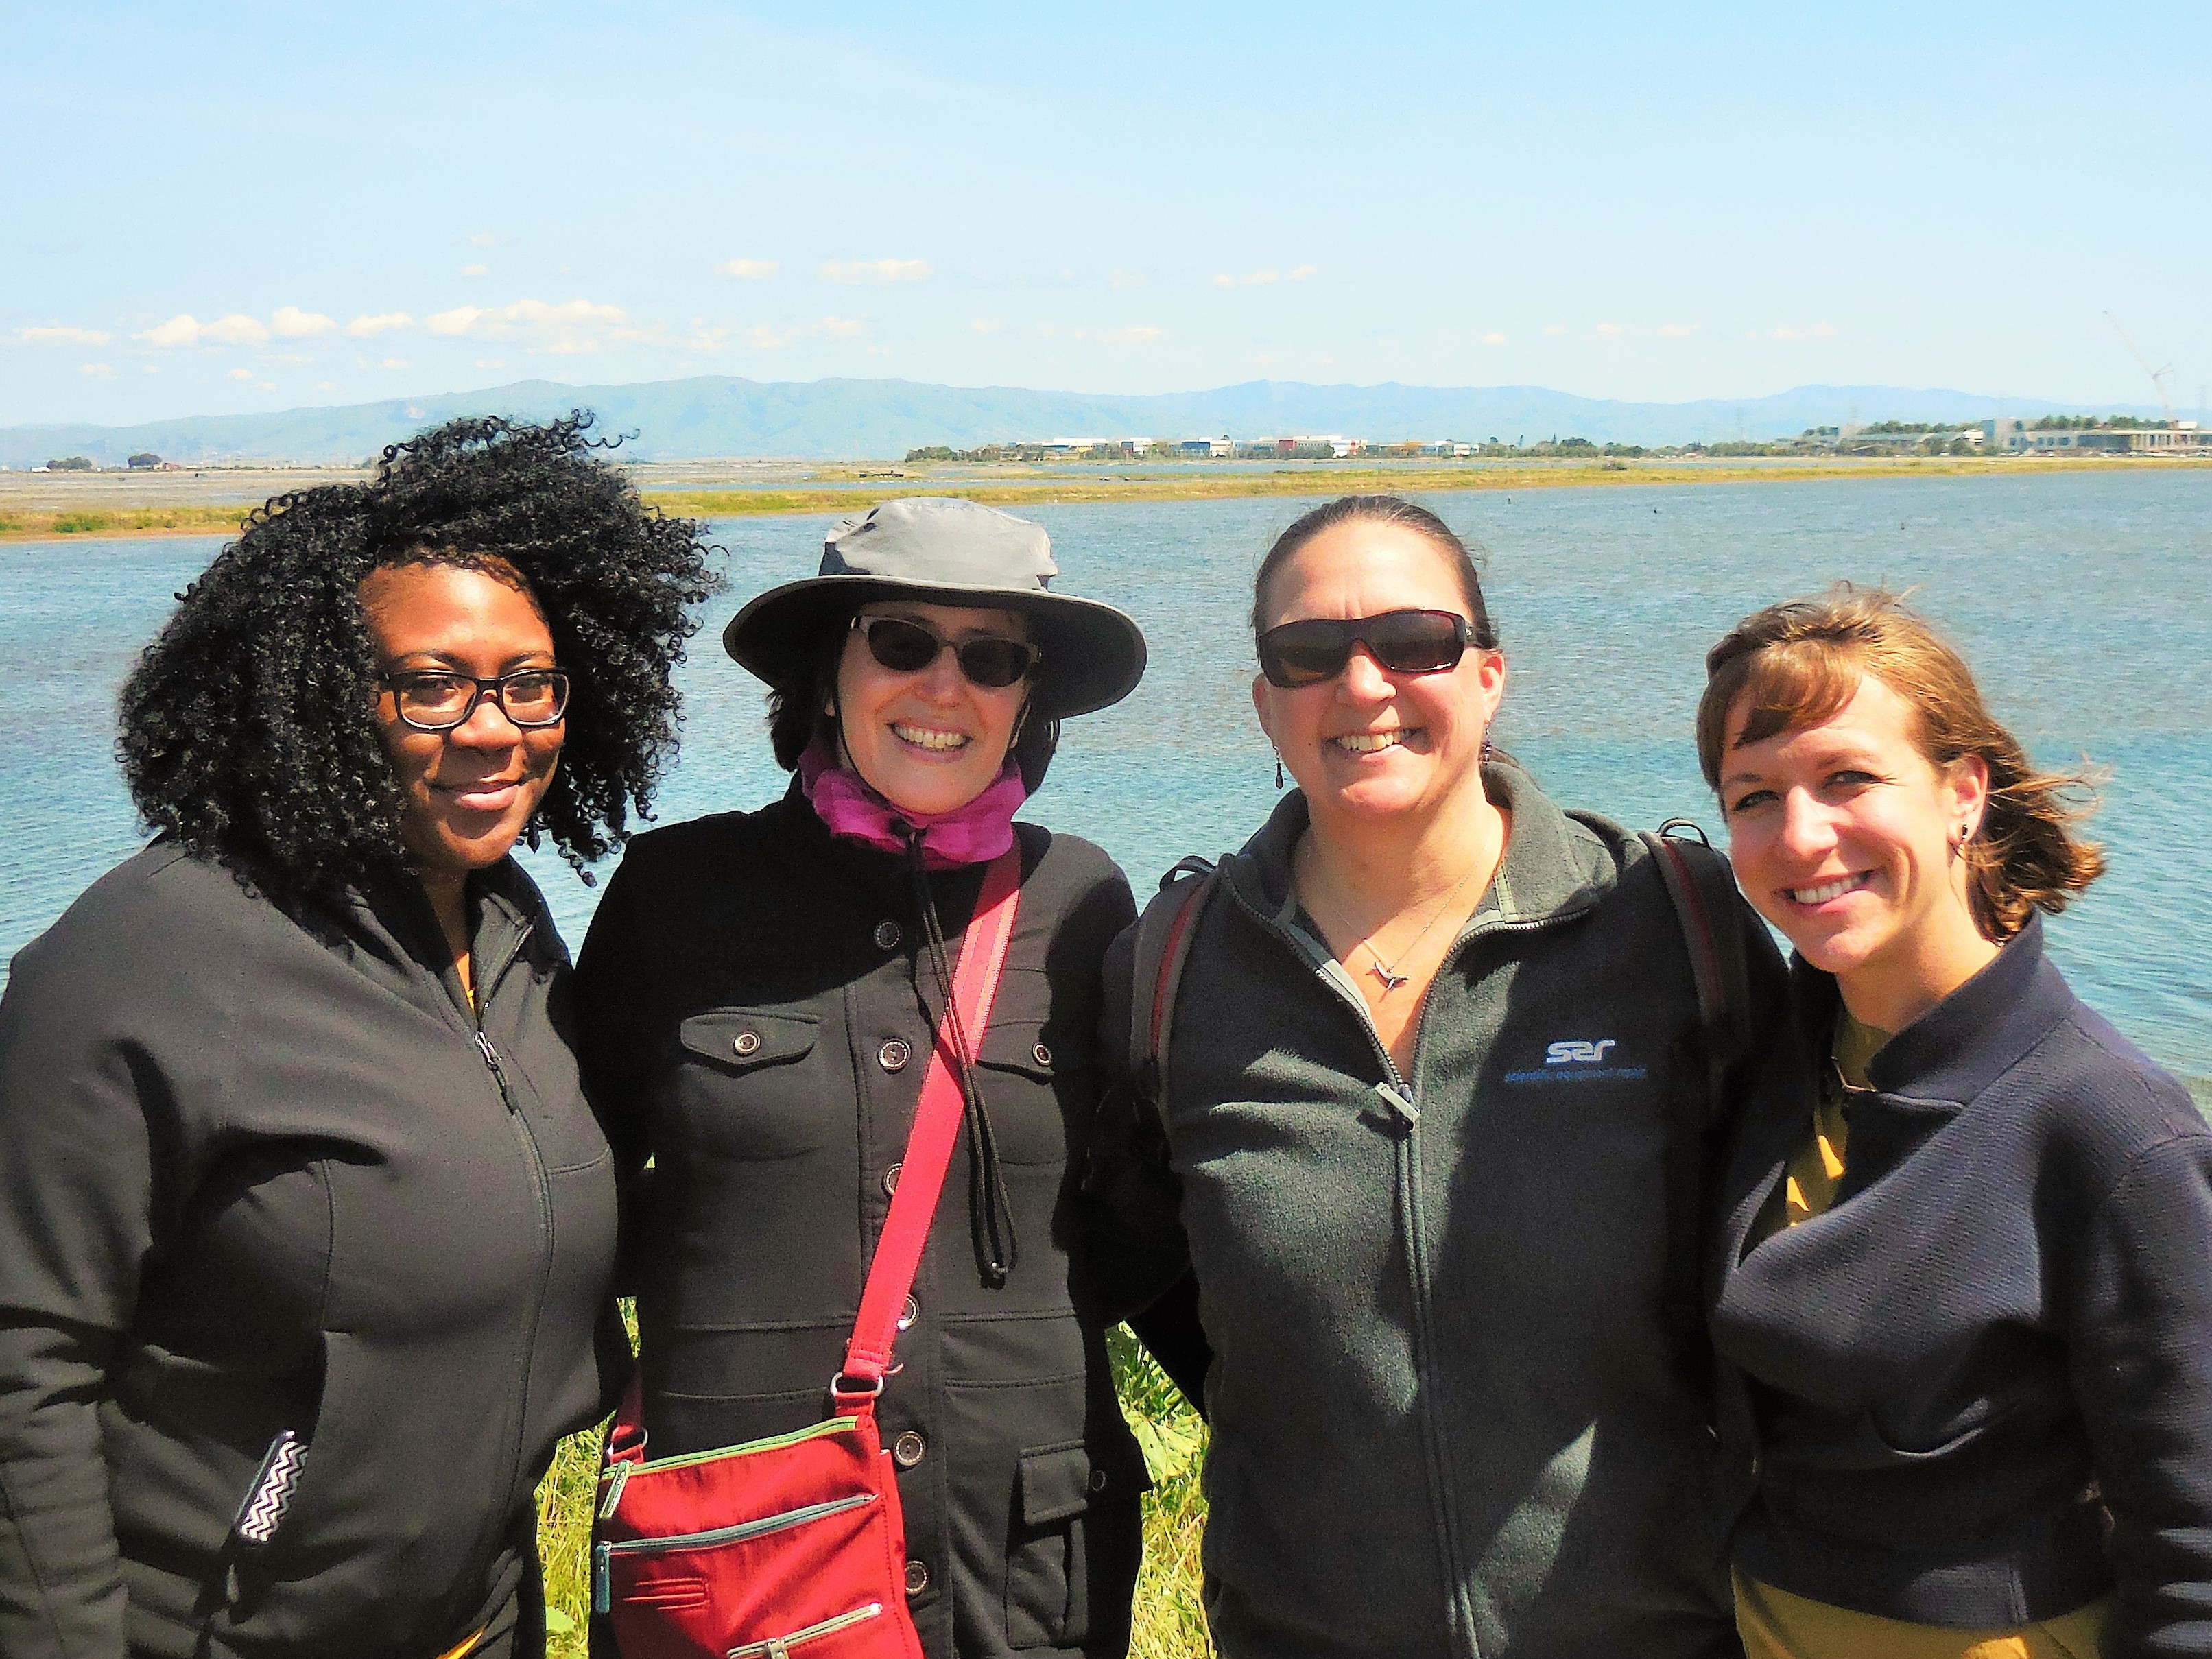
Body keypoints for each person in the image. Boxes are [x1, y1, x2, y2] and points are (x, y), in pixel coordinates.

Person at [0, 414, 717, 1659]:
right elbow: (23, 1360)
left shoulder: (509, 929)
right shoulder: (147, 955)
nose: (492, 730)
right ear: (326, 700)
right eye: (430, 685)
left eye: (528, 682)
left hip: (477, 1622)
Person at [1084, 493, 1787, 1658]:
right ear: (1265, 705)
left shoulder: (1666, 924)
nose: (1362, 686)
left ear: (1488, 674)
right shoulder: (1172, 968)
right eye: (1307, 655)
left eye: (1414, 641)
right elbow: (1153, 1268)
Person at [573, 497, 1154, 1659]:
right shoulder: (677, 893)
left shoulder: (1083, 901)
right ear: (827, 671)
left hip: (1033, 1565)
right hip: (747, 1548)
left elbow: (1147, 1211)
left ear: (1025, 700)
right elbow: (556, 1196)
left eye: (990, 659)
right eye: (900, 643)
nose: (943, 688)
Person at [1696, 586, 2212, 1659]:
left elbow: (2195, 1535)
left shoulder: (2106, 1125)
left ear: (1961, 793)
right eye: (1752, 796)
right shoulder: (1773, 1054)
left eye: (1848, 779)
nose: (1799, 836)